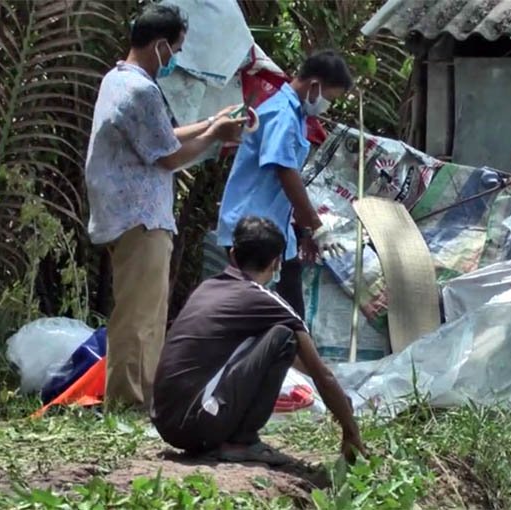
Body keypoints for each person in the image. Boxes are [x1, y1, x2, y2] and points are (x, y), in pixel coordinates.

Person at [84, 3, 247, 408]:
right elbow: (170, 154)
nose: (175, 59)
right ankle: (128, 401)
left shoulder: (118, 80)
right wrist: (215, 135)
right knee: (139, 317)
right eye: (175, 50)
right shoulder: (141, 90)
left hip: (128, 216)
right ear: (159, 45)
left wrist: (212, 121)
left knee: (147, 313)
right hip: (141, 218)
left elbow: (163, 133)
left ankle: (141, 395)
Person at [151, 217, 365, 463]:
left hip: (166, 423)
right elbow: (320, 373)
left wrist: (334, 396)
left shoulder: (206, 288)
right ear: (276, 263)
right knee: (284, 336)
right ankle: (242, 441)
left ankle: (227, 435)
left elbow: (304, 367)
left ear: (232, 255)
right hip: (198, 425)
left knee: (279, 339)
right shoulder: (264, 299)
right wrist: (350, 430)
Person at [216, 50, 352, 318]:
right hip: (252, 230)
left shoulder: (296, 115)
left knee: (289, 314)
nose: (327, 106)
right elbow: (284, 169)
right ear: (314, 86)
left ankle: (292, 358)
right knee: (266, 316)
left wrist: (305, 232)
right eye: (329, 98)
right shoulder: (282, 114)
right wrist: (316, 226)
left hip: (276, 230)